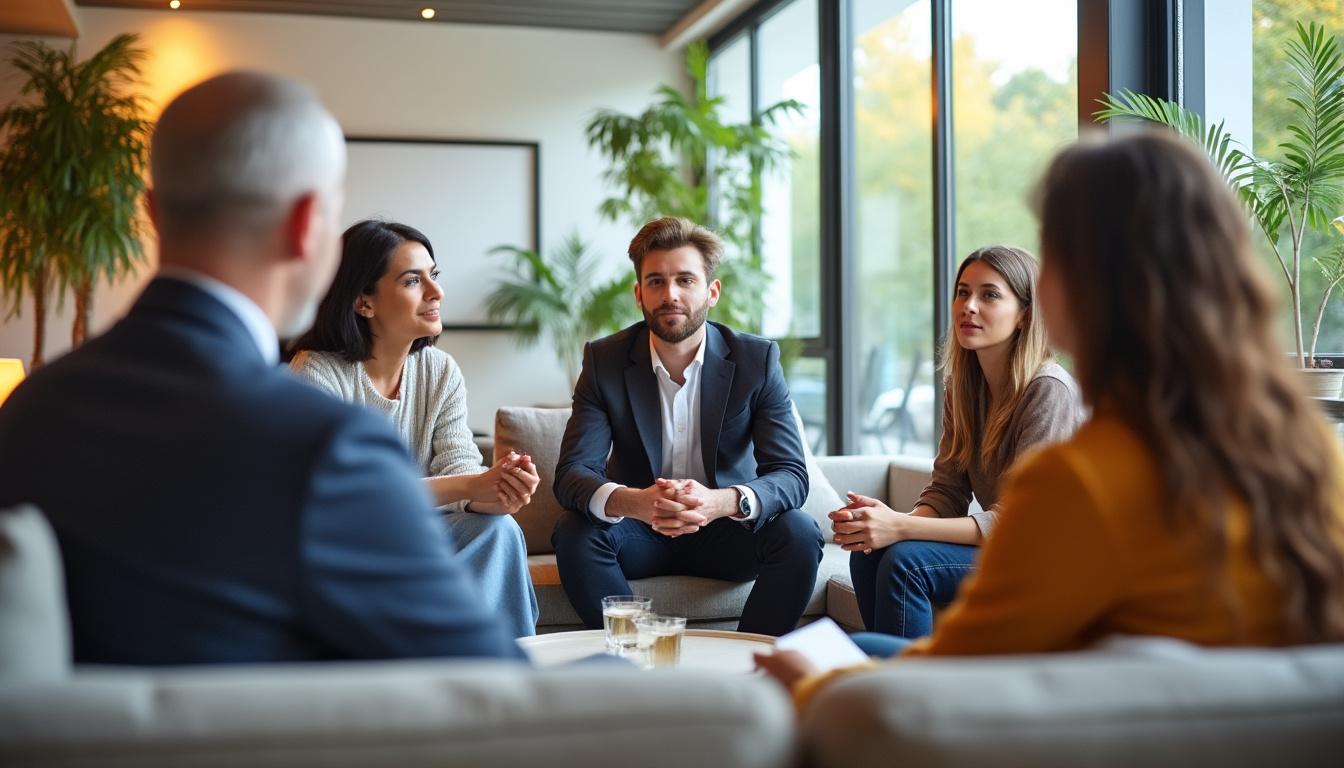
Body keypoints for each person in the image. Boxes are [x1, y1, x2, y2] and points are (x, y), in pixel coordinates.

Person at [755, 129, 1344, 708]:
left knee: (848, 649)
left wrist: (815, 684)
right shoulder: (1311, 453)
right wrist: (892, 523)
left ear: (1063, 295)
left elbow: (947, 683)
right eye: (964, 292)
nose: (970, 306)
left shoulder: (1079, 477)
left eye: (1051, 257)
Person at [0, 72, 524, 664]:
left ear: (152, 211)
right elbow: (491, 689)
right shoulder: (326, 441)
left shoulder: (29, 412)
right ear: (306, 226)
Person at [550, 217, 824, 637]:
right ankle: (637, 655)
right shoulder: (604, 362)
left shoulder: (756, 360)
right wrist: (636, 502)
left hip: (727, 532)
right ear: (638, 293)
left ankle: (749, 661)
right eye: (656, 282)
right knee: (574, 533)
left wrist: (721, 502)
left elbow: (790, 474)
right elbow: (571, 476)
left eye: (685, 280)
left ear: (711, 291)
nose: (670, 295)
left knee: (800, 532)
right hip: (640, 532)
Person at [291, 219, 540, 638]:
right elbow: (345, 495)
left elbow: (460, 468)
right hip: (343, 545)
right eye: (412, 280)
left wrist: (499, 491)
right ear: (363, 302)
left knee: (499, 530)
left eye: (434, 276)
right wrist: (468, 487)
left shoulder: (439, 371)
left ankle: (508, 681)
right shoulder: (316, 374)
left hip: (417, 536)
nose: (436, 292)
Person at [838, 245, 1083, 638]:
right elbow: (947, 489)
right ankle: (885, 684)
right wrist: (881, 525)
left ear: (1024, 315)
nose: (968, 306)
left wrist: (902, 527)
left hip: (1051, 561)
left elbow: (1022, 522)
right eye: (962, 292)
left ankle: (918, 691)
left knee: (906, 561)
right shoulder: (963, 389)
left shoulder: (1048, 391)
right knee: (870, 553)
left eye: (989, 295)